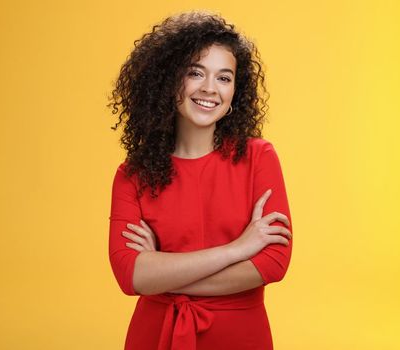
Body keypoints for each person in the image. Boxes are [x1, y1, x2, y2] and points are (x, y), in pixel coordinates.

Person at [106, 10, 294, 350]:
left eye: (224, 78)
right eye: (196, 73)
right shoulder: (131, 175)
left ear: (236, 91)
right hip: (156, 336)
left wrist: (162, 274)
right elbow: (130, 275)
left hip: (241, 337)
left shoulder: (259, 157)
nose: (210, 89)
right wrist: (237, 250)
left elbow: (273, 263)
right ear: (169, 79)